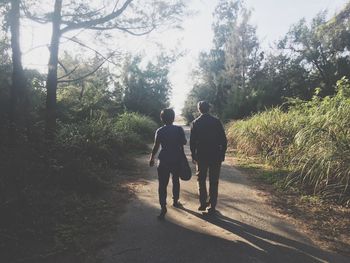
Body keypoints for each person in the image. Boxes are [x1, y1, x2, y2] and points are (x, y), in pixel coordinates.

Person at [190, 101, 227, 215]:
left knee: (201, 179)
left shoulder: (196, 122)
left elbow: (192, 142)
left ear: (199, 109)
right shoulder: (216, 121)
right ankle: (212, 205)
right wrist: (222, 154)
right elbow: (223, 139)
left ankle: (202, 202)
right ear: (209, 109)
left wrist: (193, 154)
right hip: (215, 155)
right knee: (214, 181)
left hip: (201, 155)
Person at [149, 108, 187, 220]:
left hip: (163, 160)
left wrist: (151, 158)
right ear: (173, 117)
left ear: (162, 119)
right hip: (176, 159)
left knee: (162, 185)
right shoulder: (179, 129)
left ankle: (163, 208)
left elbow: (156, 146)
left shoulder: (160, 131)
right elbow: (184, 142)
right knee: (176, 180)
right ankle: (175, 201)